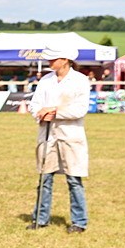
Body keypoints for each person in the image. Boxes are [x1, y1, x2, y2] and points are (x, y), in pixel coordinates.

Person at [29, 47, 89, 233]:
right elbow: (34, 105)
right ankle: (40, 218)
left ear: (65, 59)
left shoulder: (80, 80)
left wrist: (53, 112)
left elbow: (79, 110)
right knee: (45, 177)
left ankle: (79, 221)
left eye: (53, 59)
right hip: (47, 134)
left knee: (73, 179)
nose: (49, 62)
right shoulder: (46, 80)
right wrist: (40, 113)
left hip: (70, 135)